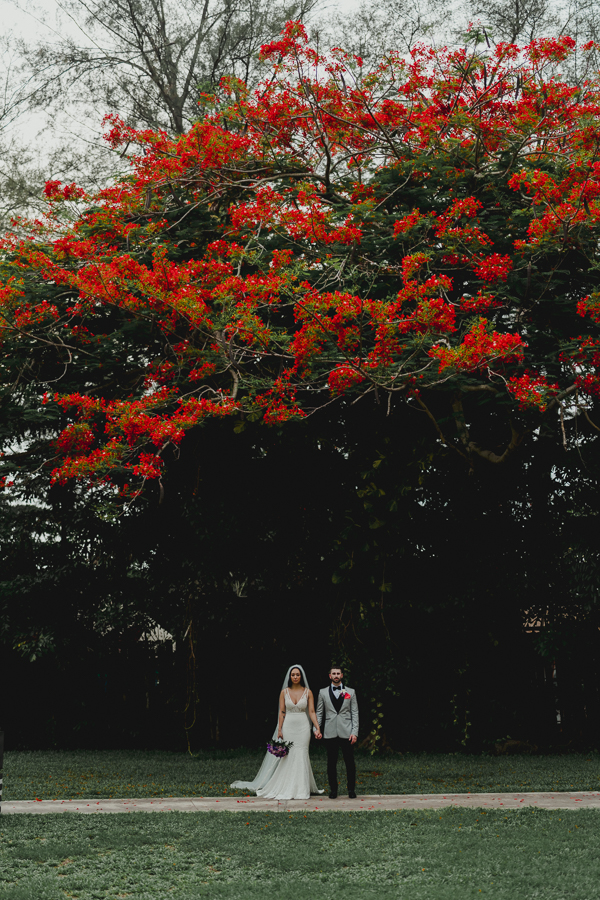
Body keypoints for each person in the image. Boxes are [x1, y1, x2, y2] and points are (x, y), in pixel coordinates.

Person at [230, 665, 323, 800]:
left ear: (301, 676)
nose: (295, 677)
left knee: (302, 754)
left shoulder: (308, 692)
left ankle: (301, 789)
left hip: (303, 727)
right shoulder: (284, 692)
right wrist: (280, 729)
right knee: (288, 756)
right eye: (293, 675)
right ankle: (286, 786)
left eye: (297, 674)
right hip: (288, 726)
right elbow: (282, 711)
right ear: (290, 677)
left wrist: (317, 728)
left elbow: (312, 712)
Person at [315, 665, 359, 799]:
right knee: (331, 762)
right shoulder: (322, 692)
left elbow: (355, 713)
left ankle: (351, 790)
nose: (336, 675)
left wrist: (355, 732)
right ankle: (333, 790)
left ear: (342, 675)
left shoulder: (350, 692)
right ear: (330, 676)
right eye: (333, 673)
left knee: (350, 762)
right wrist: (317, 729)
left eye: (338, 673)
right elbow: (319, 712)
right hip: (330, 732)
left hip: (347, 732)